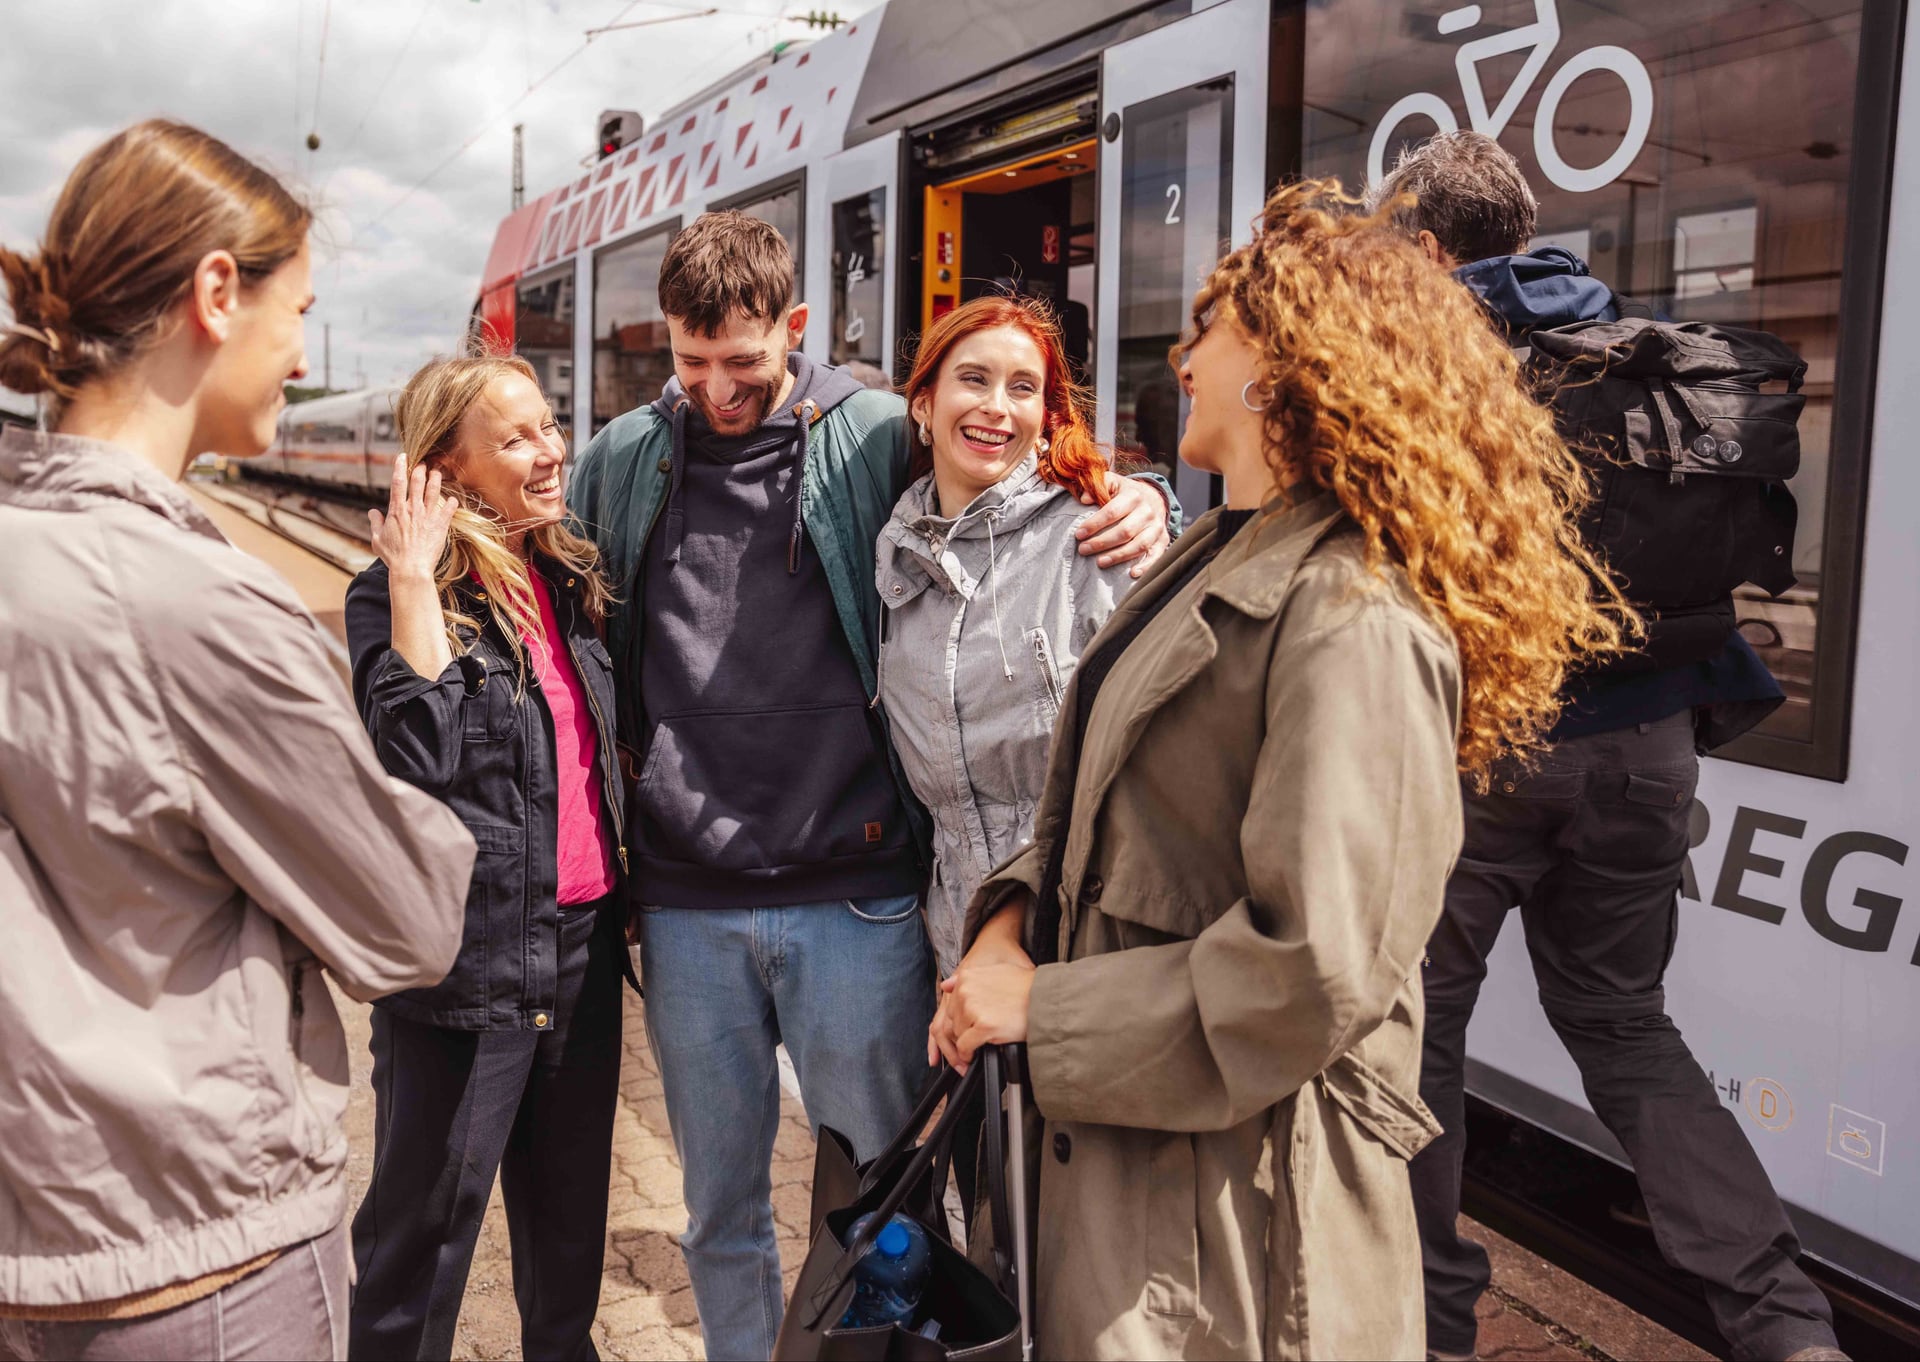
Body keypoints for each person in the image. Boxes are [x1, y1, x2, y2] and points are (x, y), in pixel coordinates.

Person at [932, 178, 1634, 1361]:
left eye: (1206, 327)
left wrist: (1046, 1008)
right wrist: (1009, 922)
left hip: (1235, 1234)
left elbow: (1316, 966)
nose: (1181, 353)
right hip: (1156, 1177)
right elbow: (1106, 810)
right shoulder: (1224, 550)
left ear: (1278, 362)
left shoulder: (1355, 613)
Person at [565, 210, 1175, 1361]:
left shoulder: (869, 436)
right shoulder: (623, 459)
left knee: (892, 1197)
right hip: (690, 904)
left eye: (742, 362)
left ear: (793, 328)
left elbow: (1004, 484)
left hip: (857, 895)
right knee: (718, 1211)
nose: (716, 390)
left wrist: (1147, 501)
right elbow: (574, 617)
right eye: (689, 365)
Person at [0, 120, 473, 1362]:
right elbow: (407, 919)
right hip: (197, 1248)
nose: (304, 355)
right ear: (218, 291)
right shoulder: (195, 601)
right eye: (297, 308)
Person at [1370, 131, 1846, 1362]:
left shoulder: (1434, 373)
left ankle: (1432, 1329)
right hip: (1654, 753)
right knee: (1626, 1023)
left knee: (1421, 1035)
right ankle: (1786, 1326)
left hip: (1490, 758)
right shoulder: (1628, 344)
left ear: (1426, 248)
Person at [343, 351, 633, 1361]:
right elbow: (412, 756)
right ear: (447, 469)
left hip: (581, 958)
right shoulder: (395, 597)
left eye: (548, 424)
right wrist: (417, 575)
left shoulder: (567, 575)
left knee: (565, 1256)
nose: (551, 449)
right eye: (515, 438)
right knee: (417, 1262)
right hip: (464, 976)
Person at [877, 294, 1138, 1230]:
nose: (996, 406)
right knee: (992, 1218)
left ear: (1048, 411)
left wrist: (1149, 500)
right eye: (973, 379)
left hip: (1083, 940)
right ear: (923, 401)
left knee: (1089, 1228)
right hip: (956, 945)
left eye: (1023, 387)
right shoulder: (894, 563)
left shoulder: (1095, 533)